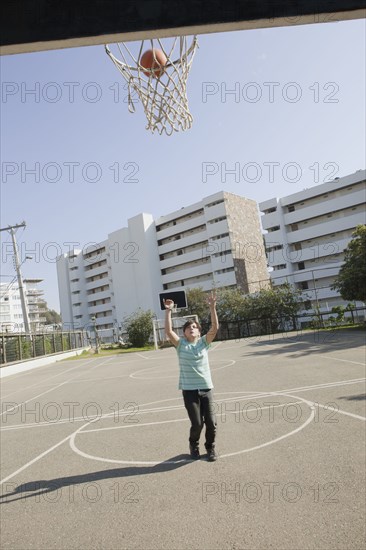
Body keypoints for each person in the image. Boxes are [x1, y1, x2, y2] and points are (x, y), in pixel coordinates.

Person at [164, 291, 219, 461]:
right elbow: (168, 330)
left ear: (198, 331)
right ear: (185, 333)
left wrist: (212, 307)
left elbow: (215, 328)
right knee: (197, 424)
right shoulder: (180, 345)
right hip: (189, 391)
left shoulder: (204, 343)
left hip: (206, 388)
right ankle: (193, 444)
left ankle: (210, 447)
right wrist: (168, 311)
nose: (192, 328)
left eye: (195, 327)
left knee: (211, 423)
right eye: (189, 328)